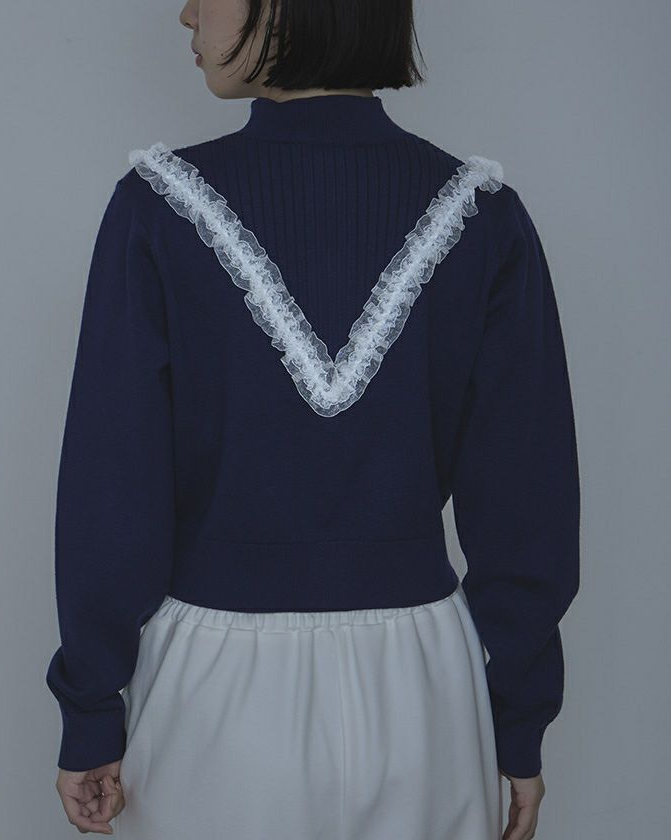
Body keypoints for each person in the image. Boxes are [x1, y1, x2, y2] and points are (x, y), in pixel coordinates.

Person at [45, 1, 580, 838]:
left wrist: (90, 710)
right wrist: (516, 724)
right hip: (425, 695)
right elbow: (526, 508)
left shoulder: (153, 211)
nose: (185, 13)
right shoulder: (486, 218)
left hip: (211, 693)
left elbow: (112, 488)